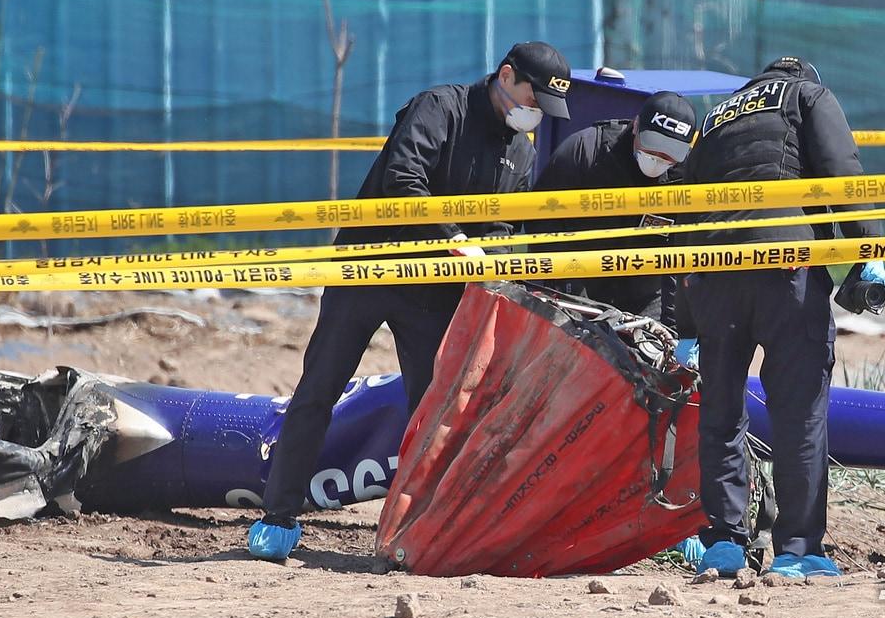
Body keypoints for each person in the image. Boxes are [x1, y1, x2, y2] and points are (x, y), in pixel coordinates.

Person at [247, 41, 571, 560]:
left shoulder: (522, 150)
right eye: (533, 99)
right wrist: (455, 237)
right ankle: (278, 516)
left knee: (434, 408)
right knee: (319, 387)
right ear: (505, 76)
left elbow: (508, 223)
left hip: (435, 293)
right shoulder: (438, 109)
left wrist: (503, 256)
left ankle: (417, 531)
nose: (535, 117)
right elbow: (403, 179)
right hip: (368, 268)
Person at [680, 57, 885, 579]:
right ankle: (797, 549)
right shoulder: (808, 97)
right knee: (800, 410)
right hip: (784, 266)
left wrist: (686, 321)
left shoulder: (716, 117)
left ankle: (724, 542)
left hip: (713, 272)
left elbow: (685, 210)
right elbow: (843, 172)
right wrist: (869, 250)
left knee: (722, 411)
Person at [531, 90, 698, 321]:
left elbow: (682, 252)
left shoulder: (689, 174)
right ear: (636, 126)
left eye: (668, 155)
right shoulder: (587, 151)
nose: (658, 159)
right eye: (652, 148)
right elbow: (540, 224)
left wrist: (675, 324)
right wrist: (566, 288)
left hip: (646, 290)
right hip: (579, 278)